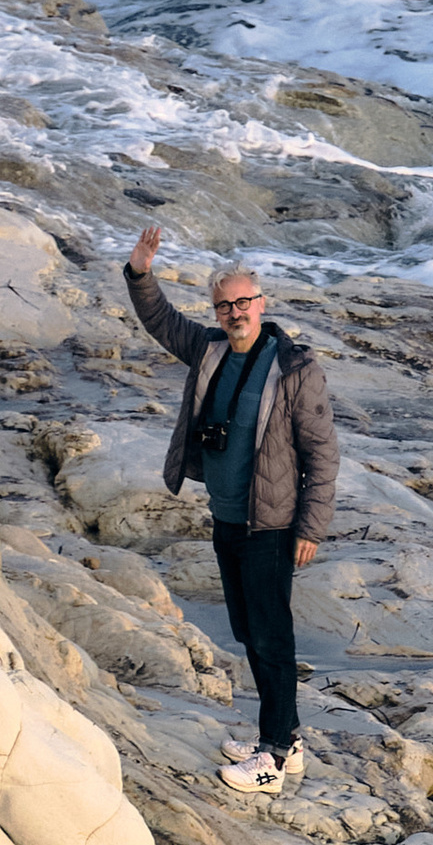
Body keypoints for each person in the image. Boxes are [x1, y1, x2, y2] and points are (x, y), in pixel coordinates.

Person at [123, 225, 336, 796]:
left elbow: (323, 454)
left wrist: (311, 527)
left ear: (261, 304)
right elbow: (162, 322)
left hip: (272, 524)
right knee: (248, 630)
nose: (235, 312)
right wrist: (141, 274)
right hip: (227, 519)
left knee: (272, 638)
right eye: (224, 305)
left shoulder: (294, 368)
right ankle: (286, 739)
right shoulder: (211, 351)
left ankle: (269, 760)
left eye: (244, 302)